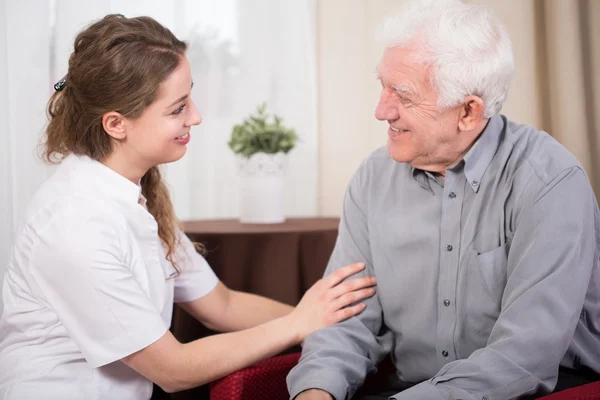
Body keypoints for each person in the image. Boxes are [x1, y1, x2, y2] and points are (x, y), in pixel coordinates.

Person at [0, 14, 377, 400]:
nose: (196, 116)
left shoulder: (135, 197)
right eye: (178, 108)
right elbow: (173, 369)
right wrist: (299, 323)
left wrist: (333, 325)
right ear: (116, 124)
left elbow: (222, 306)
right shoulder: (74, 226)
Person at [287, 0, 600, 399]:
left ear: (469, 112)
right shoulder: (372, 179)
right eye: (382, 85)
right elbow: (346, 320)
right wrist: (317, 391)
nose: (381, 110)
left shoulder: (549, 183)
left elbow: (521, 360)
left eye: (402, 94)